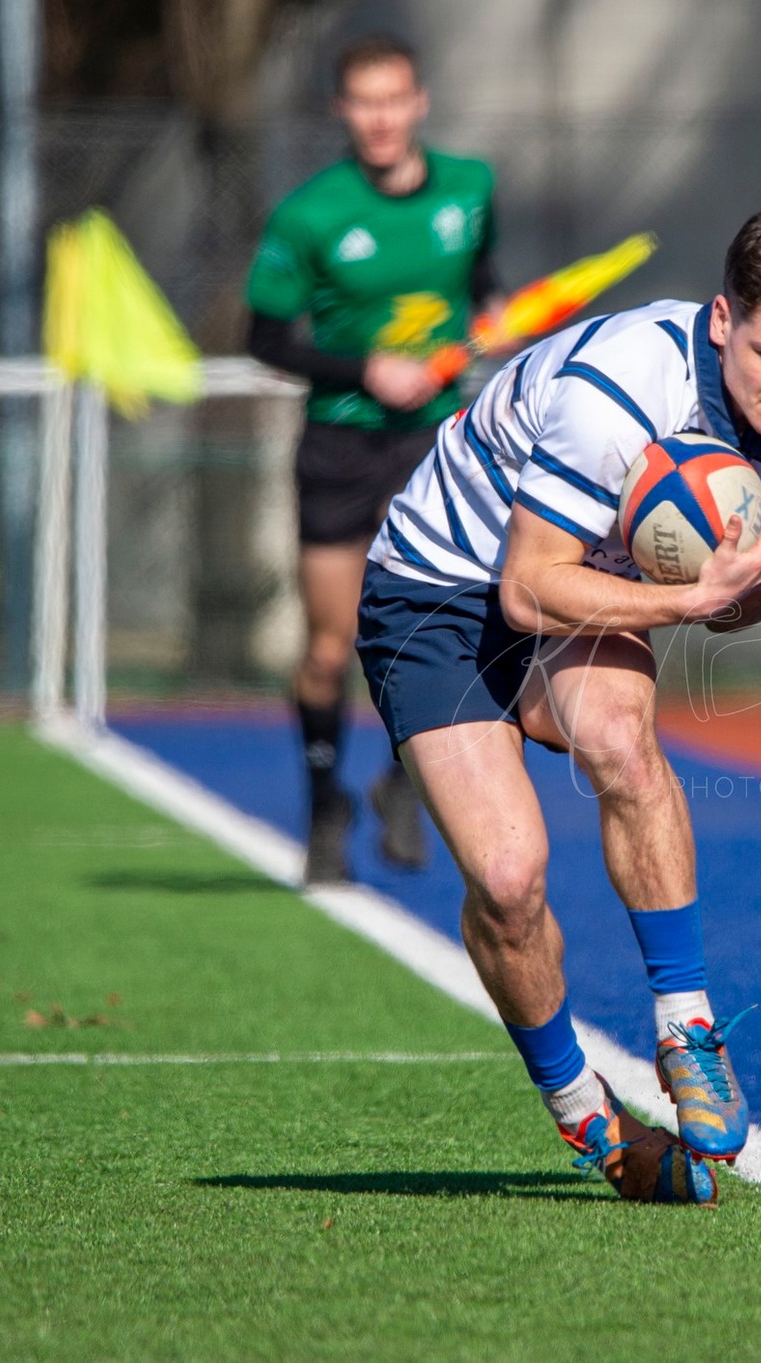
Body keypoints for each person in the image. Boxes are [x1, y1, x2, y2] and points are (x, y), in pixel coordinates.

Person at [353, 206, 761, 1202]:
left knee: (619, 741)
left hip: (566, 587)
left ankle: (686, 1027)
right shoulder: (615, 393)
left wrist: (755, 586)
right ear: (722, 319)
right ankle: (583, 1111)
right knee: (507, 881)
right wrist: (698, 594)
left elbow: (709, 607)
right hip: (436, 592)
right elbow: (522, 588)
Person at [244, 34, 501, 884]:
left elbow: (485, 285)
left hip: (439, 441)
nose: (382, 118)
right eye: (365, 102)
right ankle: (325, 802)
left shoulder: (471, 188)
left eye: (395, 99)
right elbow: (264, 335)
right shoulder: (309, 215)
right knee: (332, 644)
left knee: (451, 630)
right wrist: (363, 369)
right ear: (342, 111)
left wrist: (497, 320)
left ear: (420, 100)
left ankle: (404, 780)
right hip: (341, 442)